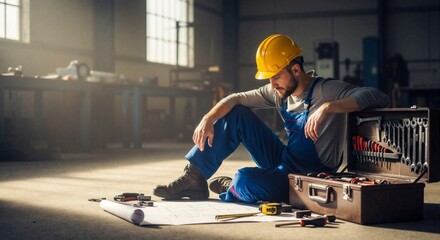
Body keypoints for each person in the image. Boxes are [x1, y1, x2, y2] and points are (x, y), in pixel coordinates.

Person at [153, 34, 390, 203]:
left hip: (309, 176)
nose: (271, 84)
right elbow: (236, 98)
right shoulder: (278, 92)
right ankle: (194, 177)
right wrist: (207, 117)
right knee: (237, 114)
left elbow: (377, 96)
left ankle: (232, 188)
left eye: (275, 77)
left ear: (296, 70)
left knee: (244, 178)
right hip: (285, 160)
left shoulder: (325, 91)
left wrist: (329, 107)